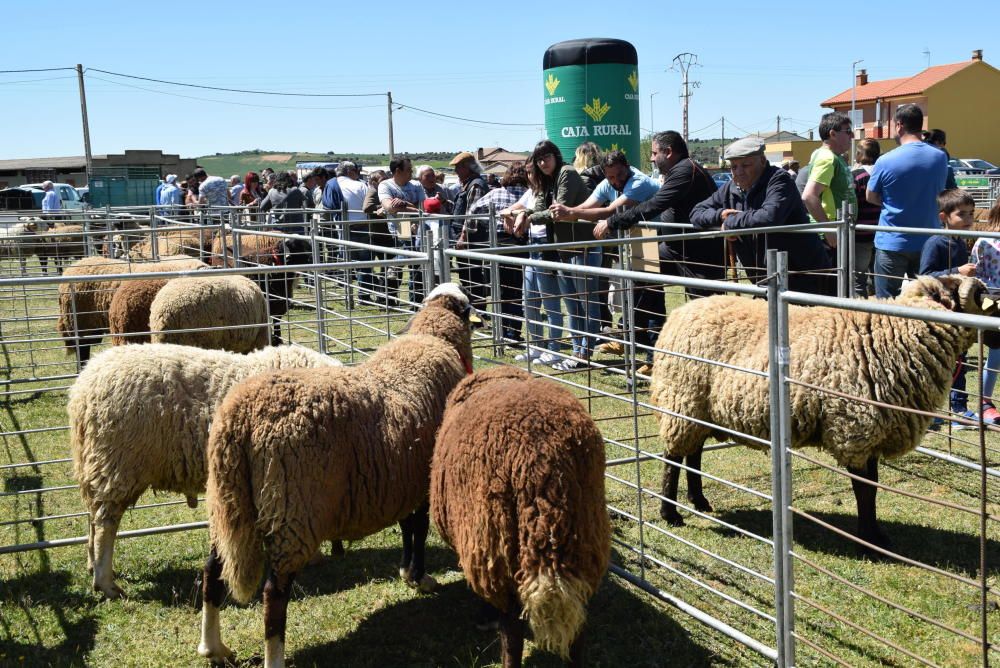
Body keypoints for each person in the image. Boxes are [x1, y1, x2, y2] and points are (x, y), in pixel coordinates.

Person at [595, 133, 722, 372]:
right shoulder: (678, 171)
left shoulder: (686, 171)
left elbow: (656, 204)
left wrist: (614, 221)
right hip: (674, 248)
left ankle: (713, 365)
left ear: (669, 152)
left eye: (655, 153)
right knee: (641, 277)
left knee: (706, 311)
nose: (652, 159)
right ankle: (642, 344)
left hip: (699, 254)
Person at [690, 137, 833, 295]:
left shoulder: (779, 181)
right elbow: (696, 212)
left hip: (803, 275)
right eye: (734, 166)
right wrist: (720, 216)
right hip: (765, 278)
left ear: (763, 161)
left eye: (745, 165)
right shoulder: (731, 188)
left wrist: (730, 223)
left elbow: (769, 216)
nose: (738, 172)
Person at [513, 140, 599, 369]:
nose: (543, 163)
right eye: (539, 159)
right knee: (572, 304)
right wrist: (525, 214)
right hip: (564, 248)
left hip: (583, 245)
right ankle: (577, 350)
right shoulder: (548, 179)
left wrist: (528, 217)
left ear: (556, 156)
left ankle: (584, 353)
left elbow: (557, 210)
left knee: (586, 302)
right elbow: (541, 205)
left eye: (546, 157)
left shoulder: (567, 173)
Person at [866, 103, 948, 298]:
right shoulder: (940, 157)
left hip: (892, 240)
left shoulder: (885, 160)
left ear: (899, 125)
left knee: (886, 304)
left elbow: (871, 196)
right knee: (927, 301)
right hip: (928, 240)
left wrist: (893, 203)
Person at [919, 189, 977, 428]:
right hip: (938, 312)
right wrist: (956, 274)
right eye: (961, 214)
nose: (968, 219)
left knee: (959, 361)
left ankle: (959, 408)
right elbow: (924, 276)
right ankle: (929, 411)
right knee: (935, 362)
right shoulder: (935, 242)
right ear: (944, 217)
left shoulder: (961, 242)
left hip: (959, 311)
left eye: (971, 214)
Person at [469, 164, 529, 343]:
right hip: (521, 243)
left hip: (499, 243)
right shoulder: (528, 194)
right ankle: (515, 333)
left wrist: (489, 221)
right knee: (517, 291)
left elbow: (473, 210)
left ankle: (502, 331)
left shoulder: (496, 193)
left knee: (500, 290)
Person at [802, 112, 857, 249]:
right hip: (830, 235)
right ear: (833, 134)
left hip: (838, 229)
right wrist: (828, 230)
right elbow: (809, 196)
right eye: (848, 131)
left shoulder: (835, 157)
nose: (853, 136)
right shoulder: (827, 158)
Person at [378, 157, 425, 303]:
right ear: (398, 171)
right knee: (409, 262)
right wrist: (412, 207)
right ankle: (388, 299)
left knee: (416, 269)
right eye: (409, 169)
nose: (412, 172)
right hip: (398, 229)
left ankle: (414, 302)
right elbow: (389, 207)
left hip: (418, 229)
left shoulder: (416, 185)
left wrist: (404, 204)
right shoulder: (385, 185)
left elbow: (422, 209)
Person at [970, 199, 1000, 425]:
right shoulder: (985, 242)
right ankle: (984, 401)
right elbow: (977, 275)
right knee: (996, 354)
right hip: (994, 302)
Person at [449, 151, 491, 311]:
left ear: (468, 168)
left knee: (472, 276)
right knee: (468, 276)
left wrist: (463, 237)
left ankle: (478, 312)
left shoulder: (475, 185)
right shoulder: (471, 184)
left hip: (471, 239)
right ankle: (474, 311)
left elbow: (472, 214)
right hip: (467, 238)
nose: (456, 171)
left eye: (458, 167)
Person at [851, 139, 882, 296]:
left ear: (859, 154)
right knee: (879, 278)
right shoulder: (884, 173)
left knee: (858, 279)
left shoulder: (856, 176)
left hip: (861, 234)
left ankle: (861, 313)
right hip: (882, 233)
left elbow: (851, 203)